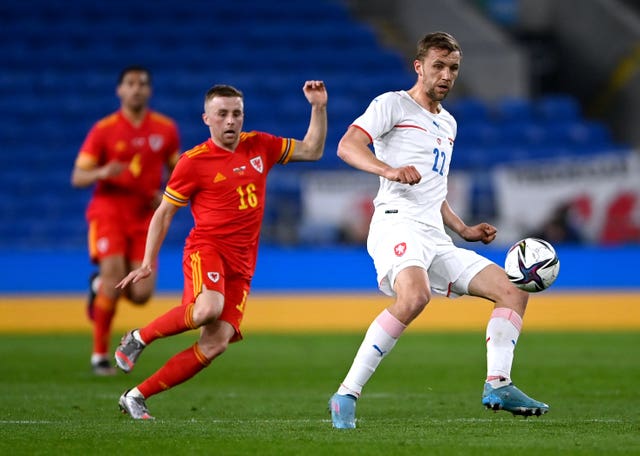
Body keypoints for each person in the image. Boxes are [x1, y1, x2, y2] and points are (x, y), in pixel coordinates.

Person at [328, 32, 549, 429]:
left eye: (453, 68)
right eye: (439, 66)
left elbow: (435, 187)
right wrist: (388, 169)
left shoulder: (448, 122)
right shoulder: (391, 104)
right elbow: (347, 146)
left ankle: (498, 383)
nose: (447, 76)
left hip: (435, 234)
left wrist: (462, 228)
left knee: (512, 290)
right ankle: (346, 394)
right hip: (395, 221)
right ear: (419, 67)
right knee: (414, 296)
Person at [114, 81, 328, 419]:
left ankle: (137, 396)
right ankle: (139, 337)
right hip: (207, 248)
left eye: (236, 114)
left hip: (243, 264)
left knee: (215, 343)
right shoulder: (192, 162)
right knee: (206, 310)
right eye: (222, 114)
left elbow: (313, 150)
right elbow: (164, 212)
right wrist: (146, 262)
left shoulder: (260, 146)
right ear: (207, 119)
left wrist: (318, 107)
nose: (230, 121)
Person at [71, 66, 180, 376]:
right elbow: (78, 176)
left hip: (145, 217)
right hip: (109, 212)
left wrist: (168, 194)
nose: (136, 89)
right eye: (130, 83)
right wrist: (102, 173)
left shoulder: (165, 129)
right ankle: (99, 356)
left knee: (141, 295)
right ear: (120, 90)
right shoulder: (104, 129)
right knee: (113, 278)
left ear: (150, 91)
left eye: (142, 83)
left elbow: (179, 170)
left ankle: (97, 287)